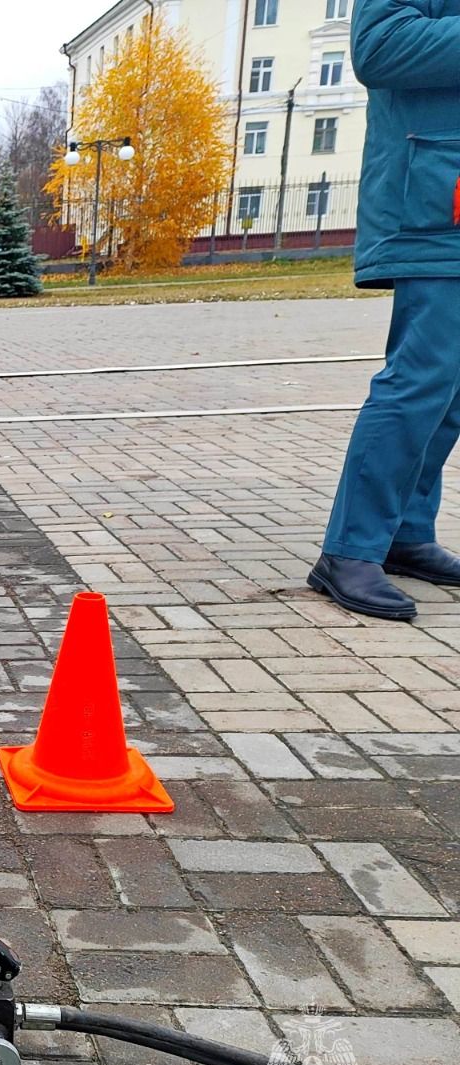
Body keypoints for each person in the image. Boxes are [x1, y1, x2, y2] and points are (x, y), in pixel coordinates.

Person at [309, 0, 460, 621]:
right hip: (435, 195)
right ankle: (348, 551)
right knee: (422, 378)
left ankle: (403, 533)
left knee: (450, 389)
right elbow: (381, 46)